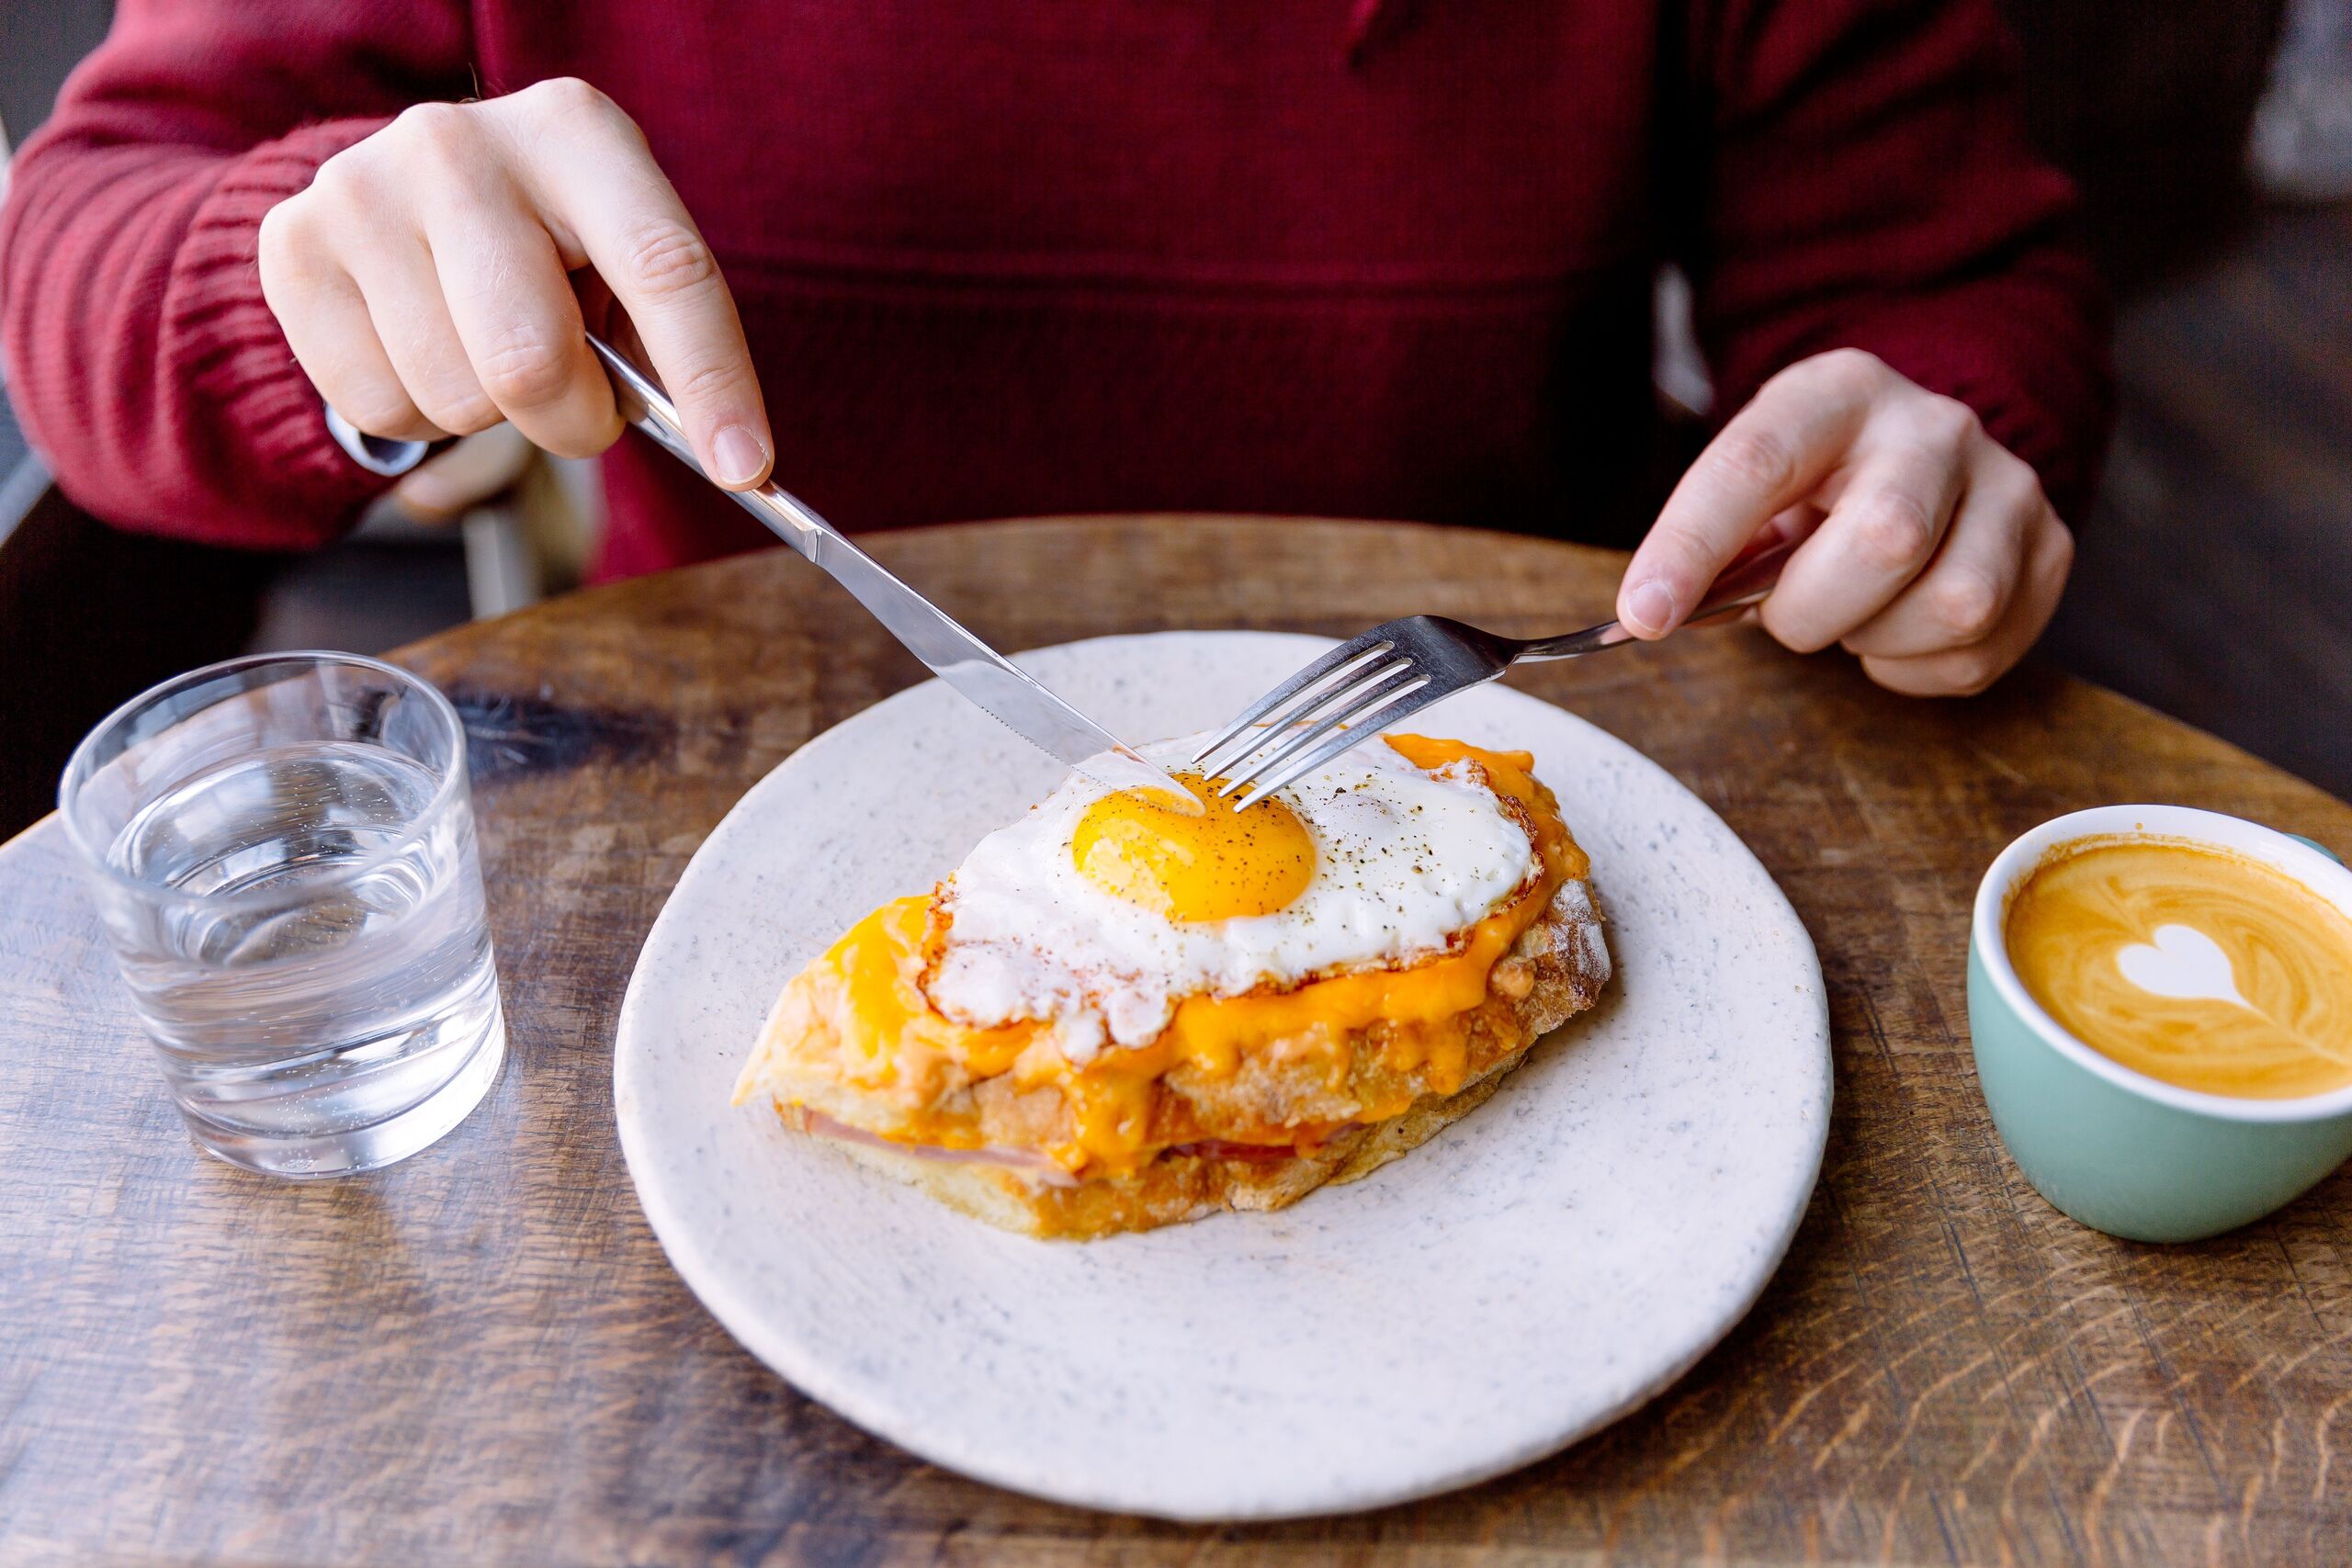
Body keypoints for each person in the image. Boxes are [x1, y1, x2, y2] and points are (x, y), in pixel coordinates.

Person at [0, 0, 2107, 697]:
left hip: (1533, 737)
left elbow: (1937, 284)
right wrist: (321, 286)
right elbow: (73, 269)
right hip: (739, 777)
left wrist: (1937, 452)